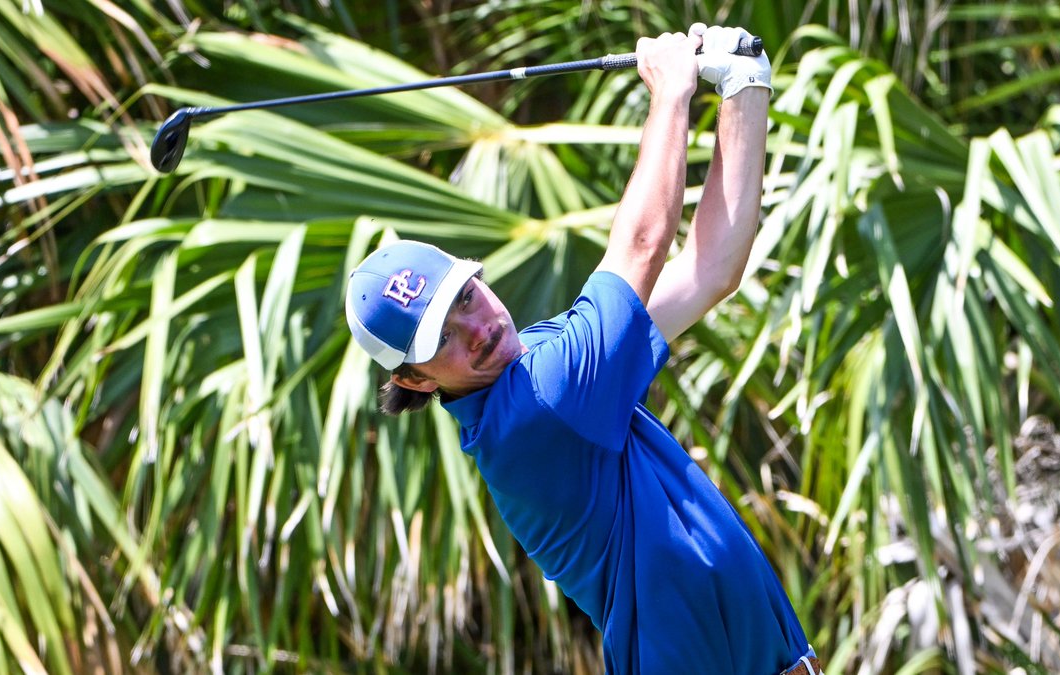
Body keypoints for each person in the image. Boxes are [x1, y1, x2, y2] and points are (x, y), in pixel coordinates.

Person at [345, 24, 819, 675]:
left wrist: (745, 89)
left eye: (463, 298)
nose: (475, 328)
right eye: (442, 340)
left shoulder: (545, 360)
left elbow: (710, 270)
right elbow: (645, 244)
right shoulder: (535, 410)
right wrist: (671, 90)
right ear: (419, 381)